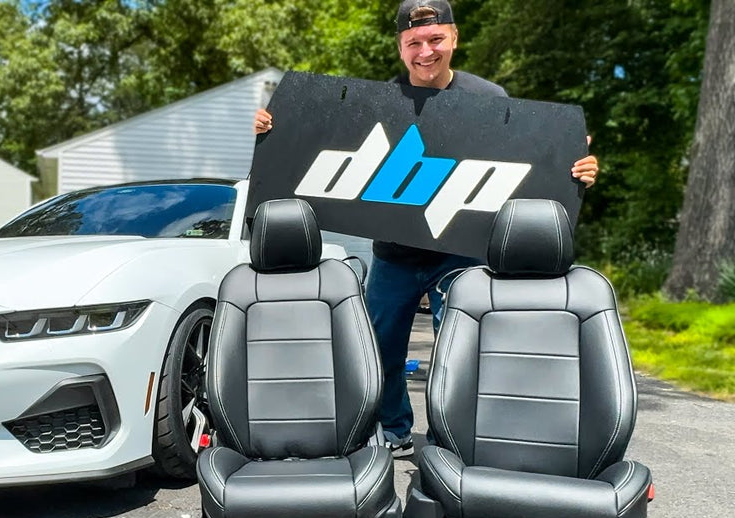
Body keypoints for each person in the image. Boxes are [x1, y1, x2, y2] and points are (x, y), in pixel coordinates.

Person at [253, 0, 599, 458]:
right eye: (414, 42)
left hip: (461, 253)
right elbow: (311, 146)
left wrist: (576, 170)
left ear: (454, 38)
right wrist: (271, 131)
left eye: (435, 39)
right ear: (401, 47)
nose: (425, 51)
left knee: (461, 351)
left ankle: (449, 440)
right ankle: (394, 430)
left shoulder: (489, 98)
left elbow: (529, 166)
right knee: (377, 348)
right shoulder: (377, 103)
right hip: (395, 254)